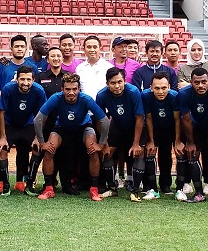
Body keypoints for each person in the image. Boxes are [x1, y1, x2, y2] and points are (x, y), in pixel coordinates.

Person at [34, 73, 109, 201]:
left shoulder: (86, 99)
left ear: (79, 89)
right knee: (49, 150)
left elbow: (105, 121)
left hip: (83, 126)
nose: (71, 93)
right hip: (62, 127)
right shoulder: (56, 98)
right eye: (67, 89)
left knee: (93, 150)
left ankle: (94, 189)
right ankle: (48, 189)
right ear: (62, 89)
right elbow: (38, 119)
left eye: (74, 89)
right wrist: (42, 142)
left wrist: (101, 144)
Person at [176, 68, 208, 203]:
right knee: (192, 154)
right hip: (195, 127)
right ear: (191, 82)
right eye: (196, 82)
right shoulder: (184, 94)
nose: (200, 85)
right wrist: (190, 142)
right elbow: (186, 120)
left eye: (204, 82)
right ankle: (199, 193)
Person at [96, 67, 146, 200]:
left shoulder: (133, 92)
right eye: (113, 83)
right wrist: (104, 143)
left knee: (139, 152)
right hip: (117, 125)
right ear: (107, 84)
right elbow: (100, 120)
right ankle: (112, 187)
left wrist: (136, 143)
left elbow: (140, 118)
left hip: (134, 125)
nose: (117, 86)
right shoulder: (101, 95)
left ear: (124, 81)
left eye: (120, 82)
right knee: (107, 152)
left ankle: (134, 190)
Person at [0, 65, 47, 195]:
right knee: (2, 149)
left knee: (37, 148)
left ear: (33, 80)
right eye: (22, 79)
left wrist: (37, 137)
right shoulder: (8, 89)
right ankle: (5, 184)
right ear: (16, 79)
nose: (25, 83)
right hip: (10, 124)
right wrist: (2, 137)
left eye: (29, 79)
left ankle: (28, 184)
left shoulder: (39, 91)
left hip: (28, 124)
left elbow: (42, 115)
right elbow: (1, 112)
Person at [141, 72, 181, 196]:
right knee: (149, 153)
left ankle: (165, 185)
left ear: (169, 86)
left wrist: (178, 141)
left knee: (166, 155)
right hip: (153, 127)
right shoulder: (145, 96)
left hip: (169, 128)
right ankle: (150, 186)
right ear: (151, 87)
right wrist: (151, 140)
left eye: (164, 88)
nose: (160, 91)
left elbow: (177, 120)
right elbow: (148, 118)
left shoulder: (174, 96)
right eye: (157, 88)